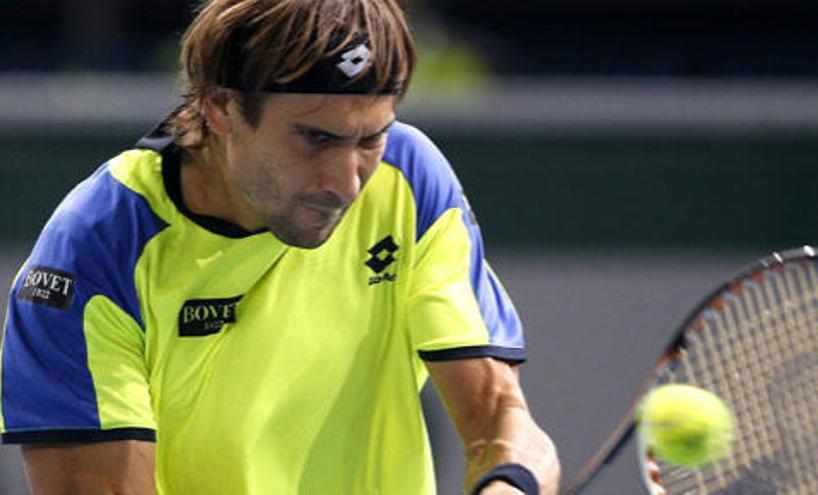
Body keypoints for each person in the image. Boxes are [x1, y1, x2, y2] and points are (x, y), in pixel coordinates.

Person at [0, 0, 560, 493]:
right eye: (315, 138)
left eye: (371, 138)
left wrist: (508, 486)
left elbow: (502, 419)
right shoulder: (94, 254)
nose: (347, 182)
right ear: (221, 108)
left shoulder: (408, 179)